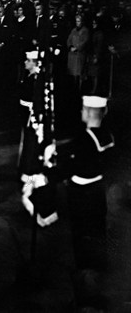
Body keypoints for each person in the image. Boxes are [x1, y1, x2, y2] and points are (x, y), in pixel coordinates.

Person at [43, 96, 115, 270]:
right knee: (97, 235)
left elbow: (69, 167)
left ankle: (85, 284)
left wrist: (47, 171)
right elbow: (81, 148)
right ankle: (97, 276)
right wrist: (58, 147)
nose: (81, 112)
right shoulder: (106, 136)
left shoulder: (84, 140)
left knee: (81, 240)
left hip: (81, 195)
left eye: (83, 109)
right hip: (98, 192)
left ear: (90, 113)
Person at [18, 50, 45, 178]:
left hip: (30, 114)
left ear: (34, 63)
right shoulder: (30, 76)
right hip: (25, 111)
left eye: (28, 60)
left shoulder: (36, 78)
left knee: (30, 142)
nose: (25, 62)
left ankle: (28, 170)